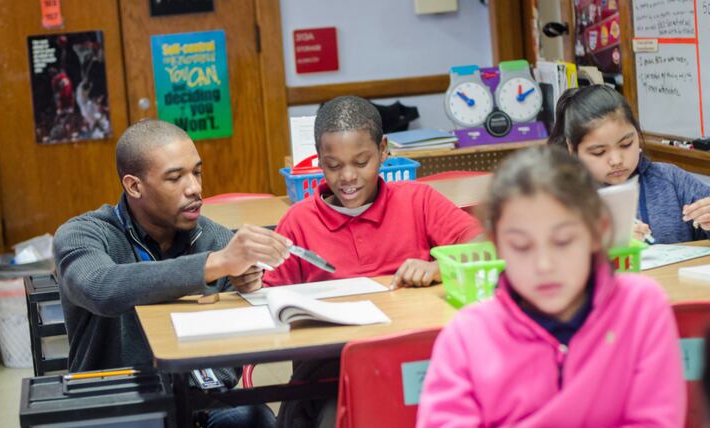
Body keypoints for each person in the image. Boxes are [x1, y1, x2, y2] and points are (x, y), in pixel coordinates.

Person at [417, 146, 685, 427]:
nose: (544, 266)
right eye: (521, 246)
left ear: (599, 232)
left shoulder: (640, 307)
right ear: (496, 245)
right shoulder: (467, 336)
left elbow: (656, 420)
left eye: (563, 242)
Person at [54, 119, 287, 427]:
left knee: (255, 418)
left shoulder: (215, 239)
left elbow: (238, 351)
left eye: (197, 172)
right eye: (175, 178)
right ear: (134, 186)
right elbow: (101, 288)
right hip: (114, 402)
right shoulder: (83, 234)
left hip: (196, 400)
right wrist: (213, 265)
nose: (195, 188)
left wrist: (248, 288)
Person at [263, 95, 482, 289]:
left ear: (383, 149)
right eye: (333, 165)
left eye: (361, 162)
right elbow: (270, 294)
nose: (347, 176)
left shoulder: (418, 200)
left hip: (409, 328)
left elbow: (484, 242)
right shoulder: (297, 222)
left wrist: (442, 267)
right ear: (319, 159)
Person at [548, 84, 710, 244]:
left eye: (626, 144)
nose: (616, 160)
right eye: (599, 152)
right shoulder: (560, 197)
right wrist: (607, 243)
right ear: (572, 149)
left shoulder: (670, 180)